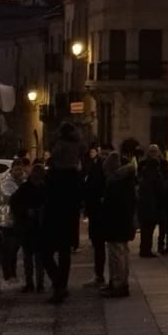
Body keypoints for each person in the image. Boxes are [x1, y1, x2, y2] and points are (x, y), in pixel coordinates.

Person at [43, 123, 84, 303]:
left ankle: (59, 284)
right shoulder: (76, 176)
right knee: (63, 253)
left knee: (46, 253)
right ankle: (61, 285)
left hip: (55, 218)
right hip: (68, 218)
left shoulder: (55, 175)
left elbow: (47, 197)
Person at [100, 142, 139, 298]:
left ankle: (119, 284)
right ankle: (119, 282)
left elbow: (115, 205)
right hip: (123, 223)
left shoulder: (116, 183)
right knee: (122, 253)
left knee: (117, 254)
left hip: (117, 223)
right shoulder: (125, 181)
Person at [9, 163, 48, 293]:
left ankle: (35, 283)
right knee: (33, 257)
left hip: (33, 227)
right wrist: (27, 211)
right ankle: (35, 283)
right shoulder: (33, 188)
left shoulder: (30, 188)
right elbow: (14, 202)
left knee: (33, 257)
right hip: (31, 226)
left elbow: (14, 202)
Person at [83, 144, 108, 287]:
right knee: (100, 247)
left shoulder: (98, 169)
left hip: (98, 213)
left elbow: (91, 190)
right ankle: (100, 275)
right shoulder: (97, 167)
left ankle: (100, 275)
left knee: (100, 246)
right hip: (97, 213)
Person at [137, 145, 168, 258]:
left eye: (155, 151)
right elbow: (160, 186)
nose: (153, 153)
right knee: (148, 227)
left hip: (150, 202)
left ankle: (149, 248)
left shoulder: (161, 165)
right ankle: (146, 249)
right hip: (153, 202)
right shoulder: (150, 170)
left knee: (149, 227)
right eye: (151, 151)